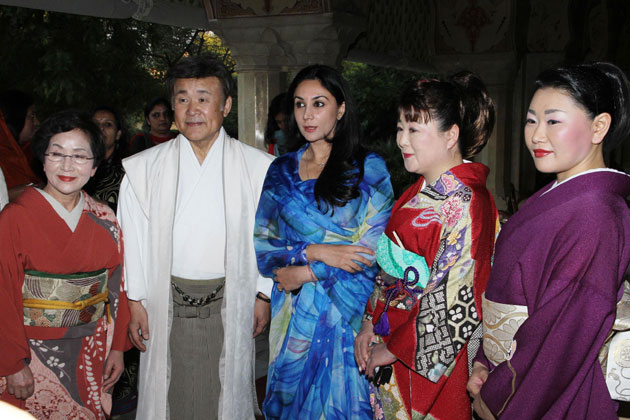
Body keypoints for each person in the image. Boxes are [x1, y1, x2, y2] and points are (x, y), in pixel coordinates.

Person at [467, 62, 630, 420]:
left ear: (599, 126)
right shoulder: (558, 195)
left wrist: (500, 396)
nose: (536, 136)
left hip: (546, 393)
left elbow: (563, 332)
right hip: (508, 370)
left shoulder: (595, 215)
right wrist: (483, 362)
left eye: (553, 121)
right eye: (531, 120)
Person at [117, 55, 274, 420]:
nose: (193, 109)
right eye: (182, 98)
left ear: (226, 105)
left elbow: (270, 237)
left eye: (204, 97)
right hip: (163, 303)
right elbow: (133, 242)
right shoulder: (143, 169)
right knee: (169, 397)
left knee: (224, 394)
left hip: (231, 301)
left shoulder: (259, 168)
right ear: (172, 106)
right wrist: (135, 301)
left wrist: (262, 293)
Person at [354, 73, 499, 420]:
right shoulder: (419, 190)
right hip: (390, 335)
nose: (402, 140)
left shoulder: (467, 201)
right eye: (400, 127)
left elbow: (457, 296)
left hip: (427, 355)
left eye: (414, 129)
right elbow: (389, 273)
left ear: (451, 135)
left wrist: (393, 348)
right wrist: (369, 325)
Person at [254, 64, 395, 419]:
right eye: (299, 105)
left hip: (348, 319)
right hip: (292, 319)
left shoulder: (368, 168)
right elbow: (265, 248)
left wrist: (307, 272)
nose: (307, 114)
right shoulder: (281, 171)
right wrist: (316, 251)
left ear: (341, 108)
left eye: (319, 104)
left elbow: (373, 253)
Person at [0, 110, 131, 419]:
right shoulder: (14, 218)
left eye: (80, 156)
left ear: (95, 165)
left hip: (91, 349)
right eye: (57, 154)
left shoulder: (106, 219)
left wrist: (117, 349)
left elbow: (117, 289)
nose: (68, 166)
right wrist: (12, 363)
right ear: (41, 159)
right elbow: (2, 294)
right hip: (30, 354)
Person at [84, 106, 126, 212]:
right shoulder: (77, 164)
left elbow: (134, 211)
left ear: (118, 134)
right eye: (95, 124)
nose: (100, 128)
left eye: (107, 125)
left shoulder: (128, 170)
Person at [0, 89, 41, 194]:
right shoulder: (5, 157)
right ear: (16, 118)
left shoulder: (22, 152)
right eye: (31, 116)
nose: (36, 122)